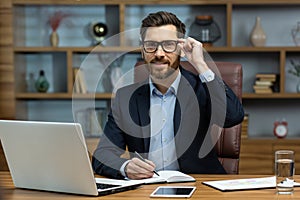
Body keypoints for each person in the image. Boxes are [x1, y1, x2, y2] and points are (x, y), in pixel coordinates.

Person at [92, 11, 244, 180]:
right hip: (146, 189)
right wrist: (126, 167)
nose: (159, 53)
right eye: (151, 45)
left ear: (180, 49)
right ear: (142, 50)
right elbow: (102, 155)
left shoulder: (201, 88)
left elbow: (234, 116)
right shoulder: (125, 98)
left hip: (200, 187)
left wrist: (201, 65)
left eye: (168, 45)